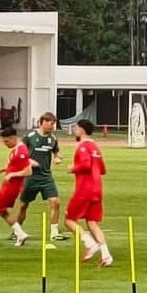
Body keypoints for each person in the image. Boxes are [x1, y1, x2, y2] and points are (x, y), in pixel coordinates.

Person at [68, 119, 113, 267]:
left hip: (85, 188)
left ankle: (89, 243)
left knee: (69, 219)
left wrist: (73, 168)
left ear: (81, 130)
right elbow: (103, 170)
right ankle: (106, 255)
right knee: (92, 222)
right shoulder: (95, 146)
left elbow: (85, 164)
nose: (75, 130)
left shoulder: (82, 146)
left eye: (76, 127)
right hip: (97, 188)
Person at [18, 113, 66, 242]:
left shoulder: (53, 138)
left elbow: (56, 151)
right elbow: (19, 153)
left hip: (46, 177)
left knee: (55, 202)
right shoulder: (30, 137)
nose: (52, 127)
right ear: (43, 122)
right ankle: (17, 230)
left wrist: (57, 157)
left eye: (53, 124)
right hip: (30, 176)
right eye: (51, 124)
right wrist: (28, 161)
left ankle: (54, 233)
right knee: (23, 205)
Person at [0, 126, 35, 246]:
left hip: (11, 187)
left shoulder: (21, 151)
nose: (5, 144)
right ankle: (20, 234)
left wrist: (12, 175)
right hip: (8, 186)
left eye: (6, 141)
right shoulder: (16, 150)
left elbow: (28, 171)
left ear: (13, 138)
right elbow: (14, 166)